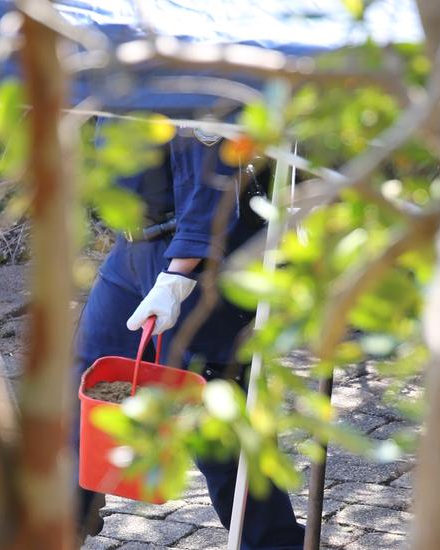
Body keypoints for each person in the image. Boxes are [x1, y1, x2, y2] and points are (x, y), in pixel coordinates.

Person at [74, 124, 305, 549]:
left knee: (217, 414)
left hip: (199, 259)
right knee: (82, 382)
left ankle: (275, 543)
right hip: (130, 251)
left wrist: (179, 276)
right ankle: (61, 519)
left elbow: (216, 175)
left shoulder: (194, 67)